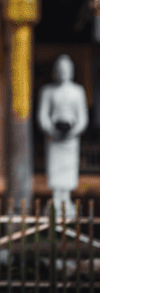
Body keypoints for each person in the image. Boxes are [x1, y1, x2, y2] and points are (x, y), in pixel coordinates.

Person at [36, 55, 90, 218]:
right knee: (55, 168)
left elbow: (82, 118)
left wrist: (74, 131)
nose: (63, 72)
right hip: (54, 138)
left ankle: (66, 198)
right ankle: (56, 197)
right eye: (60, 69)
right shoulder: (47, 91)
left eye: (66, 69)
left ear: (71, 71)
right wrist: (51, 129)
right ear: (55, 72)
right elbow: (43, 116)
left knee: (68, 167)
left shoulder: (78, 91)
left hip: (70, 139)